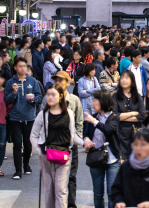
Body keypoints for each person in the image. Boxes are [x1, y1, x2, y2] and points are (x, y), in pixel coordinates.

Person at [29, 84, 84, 208]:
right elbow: (33, 136)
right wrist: (41, 151)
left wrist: (83, 142)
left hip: (64, 156)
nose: (50, 97)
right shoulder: (42, 114)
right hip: (46, 157)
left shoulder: (69, 113)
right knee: (49, 192)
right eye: (48, 94)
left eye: (53, 94)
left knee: (61, 191)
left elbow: (72, 135)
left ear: (60, 96)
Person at [4, 57, 42, 180]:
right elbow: (6, 100)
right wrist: (14, 93)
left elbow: (39, 96)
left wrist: (33, 100)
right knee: (17, 144)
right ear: (15, 68)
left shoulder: (32, 81)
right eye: (20, 66)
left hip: (29, 117)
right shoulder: (10, 82)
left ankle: (26, 165)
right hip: (15, 118)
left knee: (28, 143)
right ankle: (18, 170)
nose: (22, 68)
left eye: (24, 66)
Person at [83, 91, 121, 208]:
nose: (93, 103)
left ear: (103, 102)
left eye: (95, 100)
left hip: (112, 159)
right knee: (98, 193)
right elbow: (85, 133)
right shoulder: (92, 117)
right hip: (96, 158)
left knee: (111, 193)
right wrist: (86, 139)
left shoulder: (114, 117)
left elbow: (108, 130)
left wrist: (95, 122)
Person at [52, 71, 84, 208]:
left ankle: (71, 203)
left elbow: (79, 122)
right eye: (56, 80)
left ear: (67, 81)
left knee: (71, 175)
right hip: (54, 144)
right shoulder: (50, 98)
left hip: (71, 143)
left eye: (61, 80)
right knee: (54, 176)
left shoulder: (74, 100)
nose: (58, 82)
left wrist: (77, 139)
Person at [113, 71, 146, 160]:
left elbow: (142, 115)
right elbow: (115, 116)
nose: (124, 80)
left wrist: (122, 117)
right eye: (122, 78)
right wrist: (133, 113)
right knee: (123, 162)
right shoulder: (115, 96)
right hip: (121, 134)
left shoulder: (138, 96)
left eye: (127, 78)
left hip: (136, 134)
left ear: (132, 81)